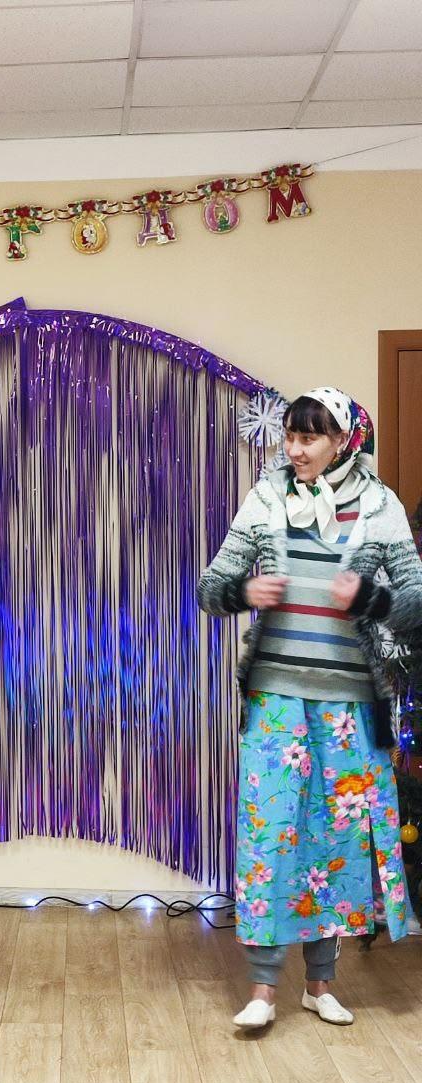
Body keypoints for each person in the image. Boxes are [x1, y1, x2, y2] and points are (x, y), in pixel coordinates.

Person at [198, 387, 422, 1029]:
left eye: (309, 437)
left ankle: (320, 984)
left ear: (342, 441)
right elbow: (210, 589)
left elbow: (415, 603)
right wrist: (244, 590)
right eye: (290, 436)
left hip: (350, 706)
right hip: (276, 699)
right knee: (269, 835)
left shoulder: (379, 507)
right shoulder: (266, 499)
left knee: (338, 840)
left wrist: (371, 598)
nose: (294, 449)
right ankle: (263, 989)